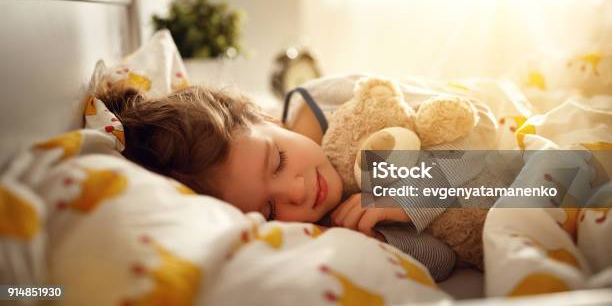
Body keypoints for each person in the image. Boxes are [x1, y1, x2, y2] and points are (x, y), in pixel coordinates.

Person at [95, 80, 456, 281]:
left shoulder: (339, 106)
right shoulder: (326, 229)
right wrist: (379, 240)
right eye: (269, 210)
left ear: (268, 118)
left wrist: (413, 195)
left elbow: (483, 161)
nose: (298, 192)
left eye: (278, 160)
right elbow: (445, 259)